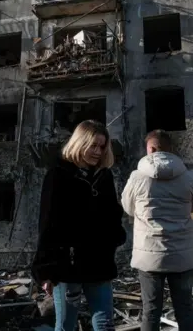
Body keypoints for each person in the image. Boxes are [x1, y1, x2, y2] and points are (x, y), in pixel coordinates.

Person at [31, 120, 126, 331]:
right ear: (80, 143)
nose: (98, 152)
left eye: (102, 147)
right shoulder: (58, 175)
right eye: (93, 145)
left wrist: (115, 236)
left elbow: (113, 213)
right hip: (68, 265)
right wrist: (45, 269)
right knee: (66, 325)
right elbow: (47, 223)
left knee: (104, 323)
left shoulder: (104, 176)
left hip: (99, 261)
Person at [121, 129, 193, 331]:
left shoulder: (137, 177)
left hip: (149, 257)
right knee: (185, 309)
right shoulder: (189, 177)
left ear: (151, 149)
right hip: (181, 255)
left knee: (151, 310)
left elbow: (127, 207)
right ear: (170, 149)